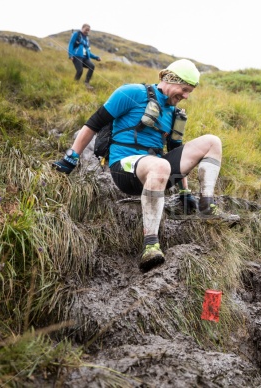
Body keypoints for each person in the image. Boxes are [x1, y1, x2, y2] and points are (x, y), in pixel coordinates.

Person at [53, 59, 238, 273]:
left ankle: (207, 206)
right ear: (170, 79)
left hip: (157, 170)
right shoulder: (130, 92)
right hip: (124, 168)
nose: (186, 96)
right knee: (159, 165)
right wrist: (71, 158)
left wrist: (184, 191)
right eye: (184, 89)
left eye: (190, 92)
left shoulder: (173, 113)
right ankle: (150, 245)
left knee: (212, 141)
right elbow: (93, 124)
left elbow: (175, 154)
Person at [68, 24, 101, 88]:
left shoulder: (87, 39)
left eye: (88, 30)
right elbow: (71, 44)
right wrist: (70, 55)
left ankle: (87, 83)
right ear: (82, 28)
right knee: (80, 70)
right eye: (86, 30)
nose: (87, 31)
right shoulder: (76, 34)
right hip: (77, 56)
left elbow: (88, 51)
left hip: (85, 57)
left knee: (92, 66)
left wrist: (96, 57)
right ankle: (74, 84)